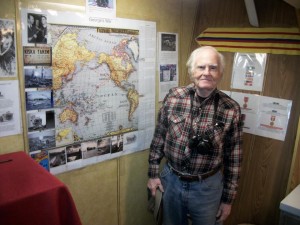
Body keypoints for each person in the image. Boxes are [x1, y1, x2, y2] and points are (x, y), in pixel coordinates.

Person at [147, 46, 243, 225]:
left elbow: (234, 159)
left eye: (213, 68)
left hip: (207, 187)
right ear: (192, 71)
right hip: (171, 181)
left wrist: (228, 200)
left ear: (220, 73)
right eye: (201, 67)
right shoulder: (174, 97)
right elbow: (159, 137)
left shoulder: (231, 108)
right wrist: (153, 174)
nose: (207, 73)